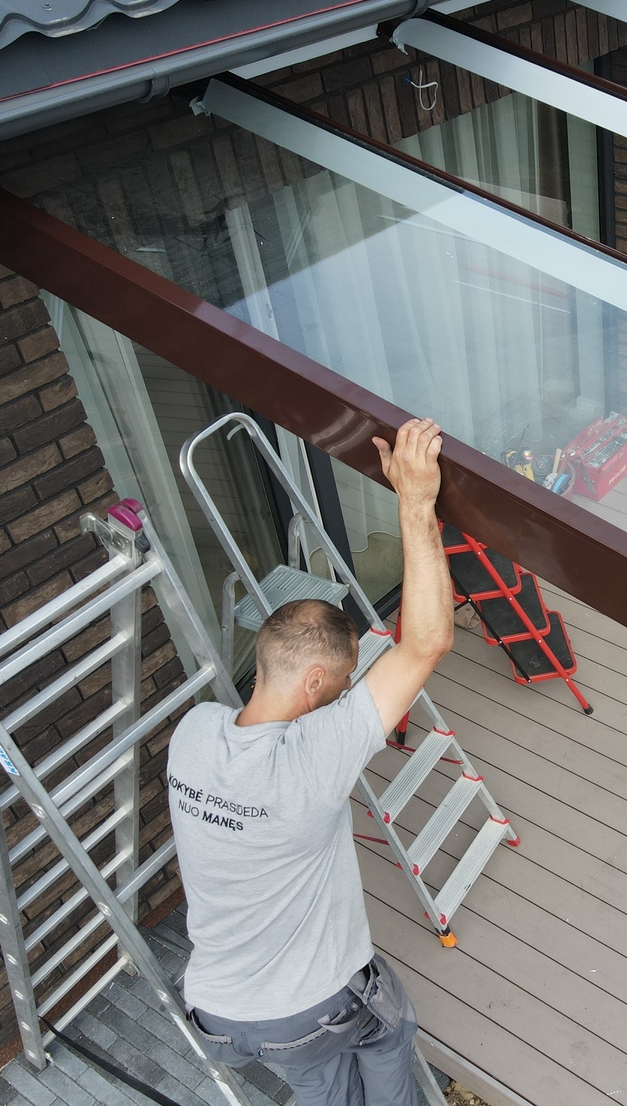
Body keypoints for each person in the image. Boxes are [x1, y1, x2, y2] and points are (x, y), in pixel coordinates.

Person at [167, 418, 453, 1106]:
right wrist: (416, 500)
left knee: (323, 1086)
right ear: (318, 684)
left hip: (220, 1017)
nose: (350, 694)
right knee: (387, 1031)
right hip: (311, 1008)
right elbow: (426, 644)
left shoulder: (193, 732)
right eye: (347, 681)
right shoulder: (310, 763)